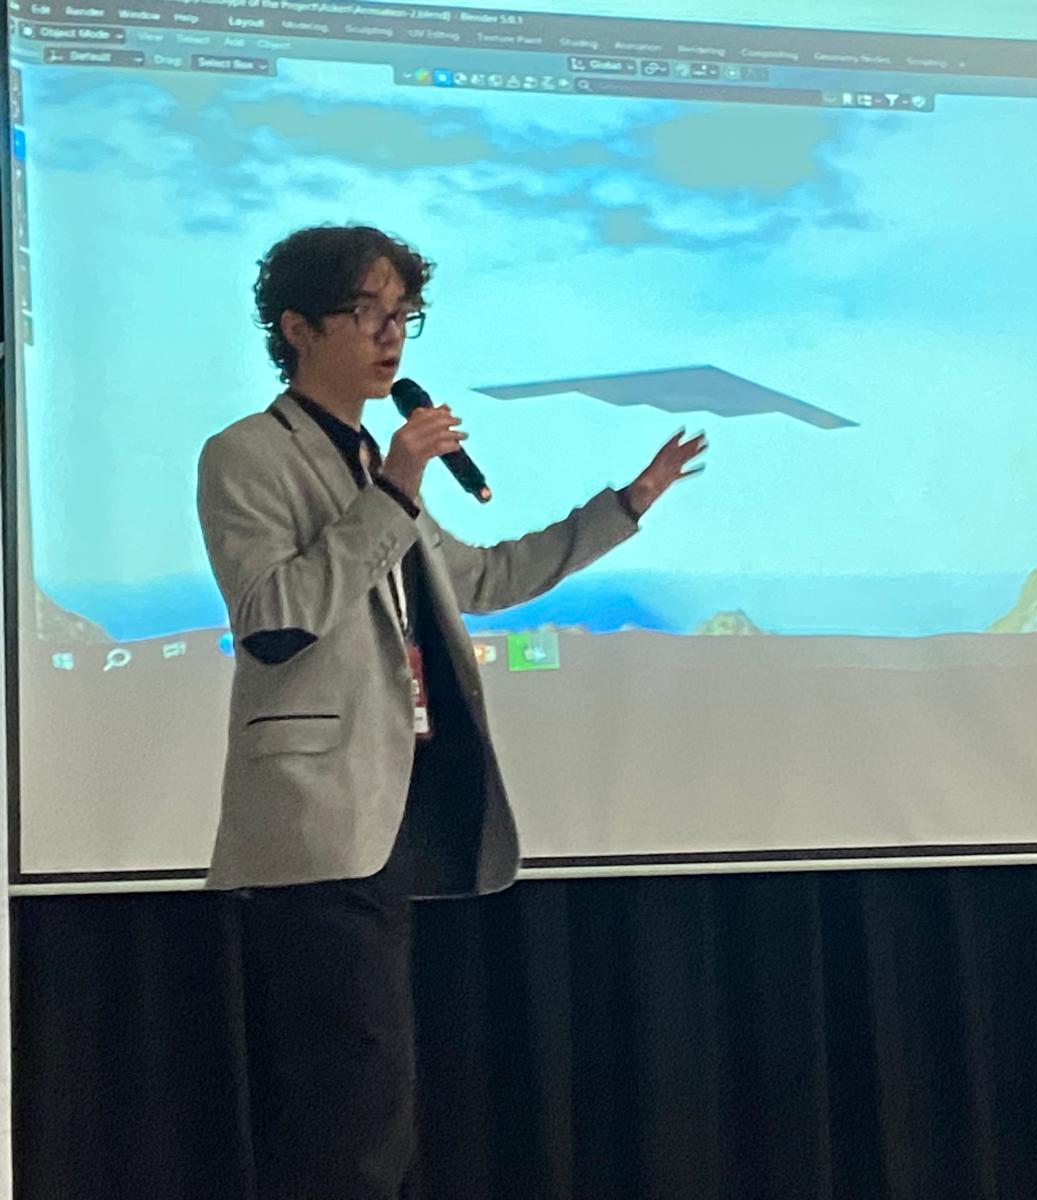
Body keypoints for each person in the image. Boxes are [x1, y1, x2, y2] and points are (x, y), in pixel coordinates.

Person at [195, 224, 706, 1199]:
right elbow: (274, 619)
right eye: (366, 313)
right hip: (316, 818)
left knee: (378, 1097)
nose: (391, 336)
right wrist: (395, 486)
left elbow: (481, 578)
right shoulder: (248, 455)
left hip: (396, 808)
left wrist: (625, 506)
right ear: (297, 329)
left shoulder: (370, 464)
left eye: (403, 316)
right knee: (350, 1104)